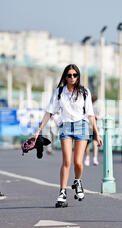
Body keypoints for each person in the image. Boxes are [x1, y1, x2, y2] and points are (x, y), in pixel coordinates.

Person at [31, 64, 103, 208]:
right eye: (69, 75)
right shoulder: (59, 92)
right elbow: (49, 112)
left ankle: (77, 181)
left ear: (78, 76)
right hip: (65, 128)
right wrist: (38, 130)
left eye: (75, 75)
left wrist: (97, 133)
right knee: (67, 162)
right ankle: (62, 193)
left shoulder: (84, 92)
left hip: (81, 127)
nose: (72, 78)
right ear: (65, 76)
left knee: (78, 162)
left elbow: (90, 114)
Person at [84, 95, 101, 166]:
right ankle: (87, 158)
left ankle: (94, 158)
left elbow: (99, 116)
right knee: (87, 143)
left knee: (94, 143)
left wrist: (95, 117)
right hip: (87, 126)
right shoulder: (86, 105)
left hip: (94, 126)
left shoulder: (97, 106)